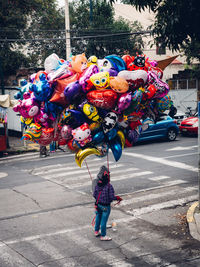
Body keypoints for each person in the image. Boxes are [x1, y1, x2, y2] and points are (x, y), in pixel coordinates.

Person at [93, 165, 122, 241]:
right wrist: (118, 198)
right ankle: (103, 235)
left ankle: (96, 231)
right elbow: (111, 197)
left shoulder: (97, 184)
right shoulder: (109, 186)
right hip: (106, 206)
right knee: (103, 221)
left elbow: (94, 194)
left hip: (98, 204)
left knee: (98, 217)